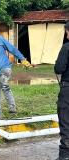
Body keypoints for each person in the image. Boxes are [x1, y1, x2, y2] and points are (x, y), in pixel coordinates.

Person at [55, 21, 69, 160]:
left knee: (66, 121)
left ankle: (65, 156)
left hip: (67, 89)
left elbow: (59, 69)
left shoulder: (66, 47)